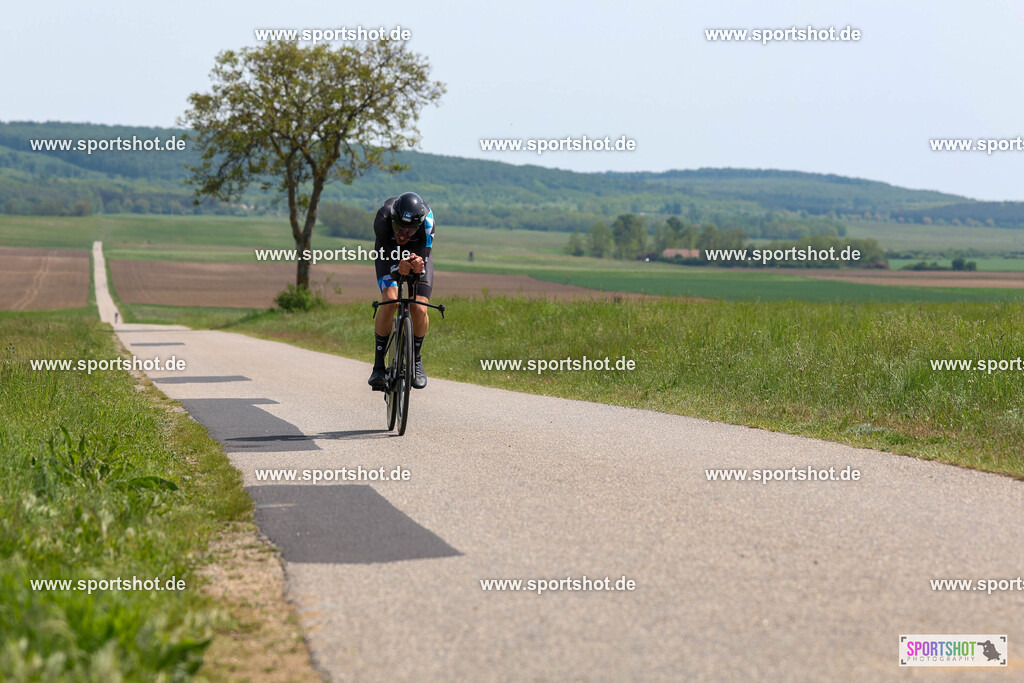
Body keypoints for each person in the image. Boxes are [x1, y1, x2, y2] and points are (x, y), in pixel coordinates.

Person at [368, 191, 435, 391]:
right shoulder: (383, 217)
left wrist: (416, 265)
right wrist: (398, 267)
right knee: (390, 300)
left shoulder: (427, 221)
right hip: (388, 253)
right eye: (399, 228)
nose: (403, 234)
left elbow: (424, 254)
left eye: (410, 230)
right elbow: (387, 254)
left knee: (420, 307)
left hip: (418, 253)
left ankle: (416, 360)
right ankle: (379, 366)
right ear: (393, 220)